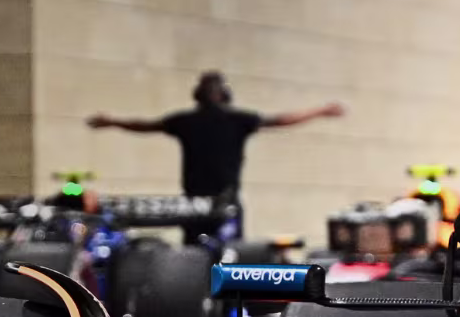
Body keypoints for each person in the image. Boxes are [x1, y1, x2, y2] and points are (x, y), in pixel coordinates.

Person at [86, 71, 343, 240]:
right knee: (218, 256)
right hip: (212, 201)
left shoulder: (195, 120)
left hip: (205, 202)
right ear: (224, 94)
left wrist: (112, 122)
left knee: (204, 253)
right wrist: (319, 111)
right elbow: (280, 120)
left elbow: (145, 125)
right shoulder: (225, 119)